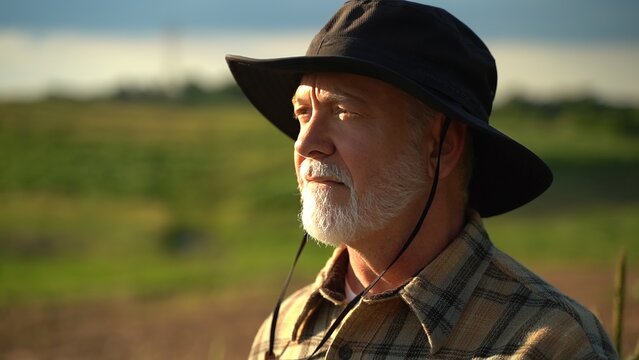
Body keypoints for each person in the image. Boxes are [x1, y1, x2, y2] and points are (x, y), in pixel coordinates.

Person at [226, 1, 617, 359]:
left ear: (440, 147)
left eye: (343, 111)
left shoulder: (550, 344)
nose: (306, 144)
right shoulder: (280, 335)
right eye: (303, 113)